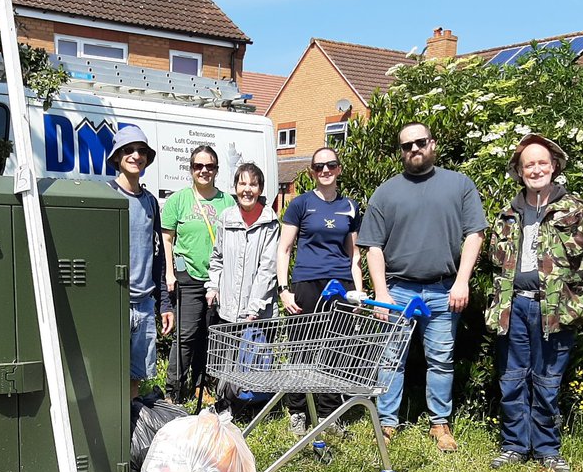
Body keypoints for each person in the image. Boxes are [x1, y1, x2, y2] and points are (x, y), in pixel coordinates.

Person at [357, 122, 487, 450]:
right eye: (406, 146)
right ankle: (387, 424)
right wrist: (381, 293)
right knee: (390, 360)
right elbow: (373, 247)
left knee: (441, 360)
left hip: (445, 290)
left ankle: (440, 425)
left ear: (433, 144)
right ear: (400, 152)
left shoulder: (459, 185)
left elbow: (475, 234)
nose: (414, 149)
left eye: (420, 142)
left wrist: (462, 281)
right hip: (397, 290)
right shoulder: (386, 192)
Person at [485, 134, 583, 472]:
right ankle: (514, 446)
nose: (536, 169)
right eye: (528, 165)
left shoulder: (576, 211)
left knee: (548, 380)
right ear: (519, 172)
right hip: (512, 307)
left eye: (541, 163)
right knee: (512, 378)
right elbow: (494, 262)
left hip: (555, 310)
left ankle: (548, 449)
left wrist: (573, 301)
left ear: (554, 166)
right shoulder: (507, 213)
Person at [276, 147, 363, 436]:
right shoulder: (300, 204)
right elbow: (284, 249)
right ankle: (298, 412)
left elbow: (354, 257)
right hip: (306, 283)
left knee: (335, 351)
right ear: (312, 171)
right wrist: (284, 290)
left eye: (331, 165)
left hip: (340, 286)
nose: (325, 171)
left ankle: (328, 416)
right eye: (319, 166)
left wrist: (359, 292)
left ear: (339, 169)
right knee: (301, 348)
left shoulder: (350, 206)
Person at [107, 125, 174, 399]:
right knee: (110, 372)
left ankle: (132, 430)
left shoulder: (150, 202)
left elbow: (157, 256)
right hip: (115, 302)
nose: (136, 155)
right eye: (129, 150)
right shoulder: (106, 196)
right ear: (117, 157)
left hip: (145, 304)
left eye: (142, 151)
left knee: (136, 375)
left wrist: (164, 304)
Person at [161, 145, 232, 403]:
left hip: (217, 280)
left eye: (209, 166)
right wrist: (169, 272)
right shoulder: (178, 200)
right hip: (188, 277)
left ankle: (202, 386)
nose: (204, 171)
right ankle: (173, 392)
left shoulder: (227, 201)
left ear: (216, 170)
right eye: (198, 166)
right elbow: (167, 238)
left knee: (209, 336)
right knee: (186, 336)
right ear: (191, 169)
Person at [207, 162, 280, 412]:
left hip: (256, 312)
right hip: (227, 307)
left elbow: (268, 269)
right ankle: (227, 405)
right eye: (242, 183)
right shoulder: (226, 218)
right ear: (235, 187)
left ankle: (254, 408)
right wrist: (213, 286)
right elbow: (217, 258)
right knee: (227, 360)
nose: (247, 189)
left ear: (260, 189)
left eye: (253, 184)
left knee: (253, 362)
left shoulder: (270, 222)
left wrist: (255, 307)